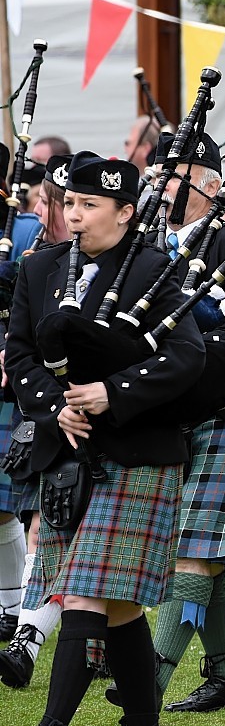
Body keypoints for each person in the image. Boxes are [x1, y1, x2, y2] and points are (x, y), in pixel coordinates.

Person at [0, 154, 203, 726]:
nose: (76, 217)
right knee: (118, 612)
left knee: (85, 591)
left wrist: (114, 392)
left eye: (91, 206)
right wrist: (57, 405)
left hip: (138, 454)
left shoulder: (154, 269)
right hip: (71, 457)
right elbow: (21, 353)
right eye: (71, 205)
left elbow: (187, 355)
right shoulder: (40, 269)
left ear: (125, 211)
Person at [122, 133, 225, 713]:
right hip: (164, 414)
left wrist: (189, 363)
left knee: (193, 545)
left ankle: (149, 682)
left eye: (179, 176)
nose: (164, 186)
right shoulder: (142, 247)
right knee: (203, 548)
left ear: (213, 185)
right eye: (160, 174)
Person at [0, 156, 75, 690]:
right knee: (39, 519)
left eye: (80, 204)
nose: (69, 213)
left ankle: (20, 623)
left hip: (70, 400)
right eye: (63, 202)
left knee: (30, 515)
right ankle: (23, 630)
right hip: (37, 393)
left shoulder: (24, 234)